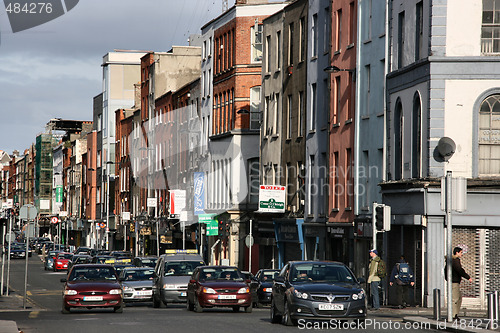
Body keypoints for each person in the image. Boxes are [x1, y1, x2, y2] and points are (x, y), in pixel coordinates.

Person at [450, 247, 472, 320]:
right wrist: (468, 277)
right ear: (457, 252)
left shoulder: (454, 260)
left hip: (455, 281)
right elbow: (460, 270)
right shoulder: (455, 261)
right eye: (461, 252)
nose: (462, 254)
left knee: (459, 298)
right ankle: (453, 315)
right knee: (455, 299)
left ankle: (455, 313)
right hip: (454, 282)